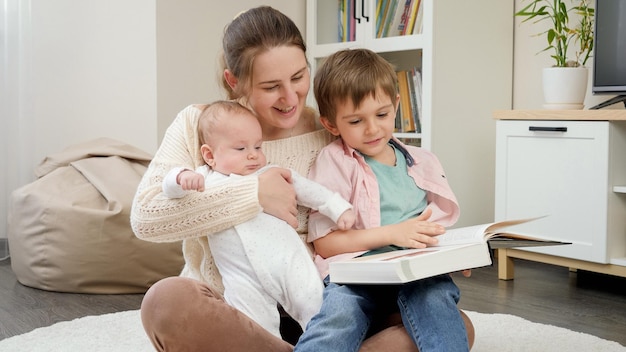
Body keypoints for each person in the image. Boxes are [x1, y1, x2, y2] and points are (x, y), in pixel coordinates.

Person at [131, 5, 474, 351]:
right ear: (234, 81)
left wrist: (444, 253)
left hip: (318, 305)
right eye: (270, 86)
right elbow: (146, 219)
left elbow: (387, 199)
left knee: (453, 324)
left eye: (298, 77)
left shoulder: (335, 129)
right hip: (236, 308)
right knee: (165, 302)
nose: (290, 97)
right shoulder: (198, 124)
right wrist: (252, 194)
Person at [294, 48, 471, 352]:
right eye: (356, 121)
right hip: (356, 275)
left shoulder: (421, 162)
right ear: (331, 125)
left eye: (382, 114)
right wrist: (391, 234)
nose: (373, 129)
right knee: (340, 313)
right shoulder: (334, 162)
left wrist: (456, 255)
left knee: (436, 300)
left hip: (417, 273)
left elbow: (433, 230)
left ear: (396, 106)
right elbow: (325, 243)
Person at [161, 100, 355, 337]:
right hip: (241, 275)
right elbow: (168, 189)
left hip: (287, 260)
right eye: (241, 149)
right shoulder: (205, 179)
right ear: (210, 155)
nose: (253, 156)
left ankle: (323, 343)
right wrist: (181, 177)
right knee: (254, 328)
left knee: (315, 304)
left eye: (258, 147)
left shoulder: (269, 172)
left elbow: (309, 190)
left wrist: (337, 207)